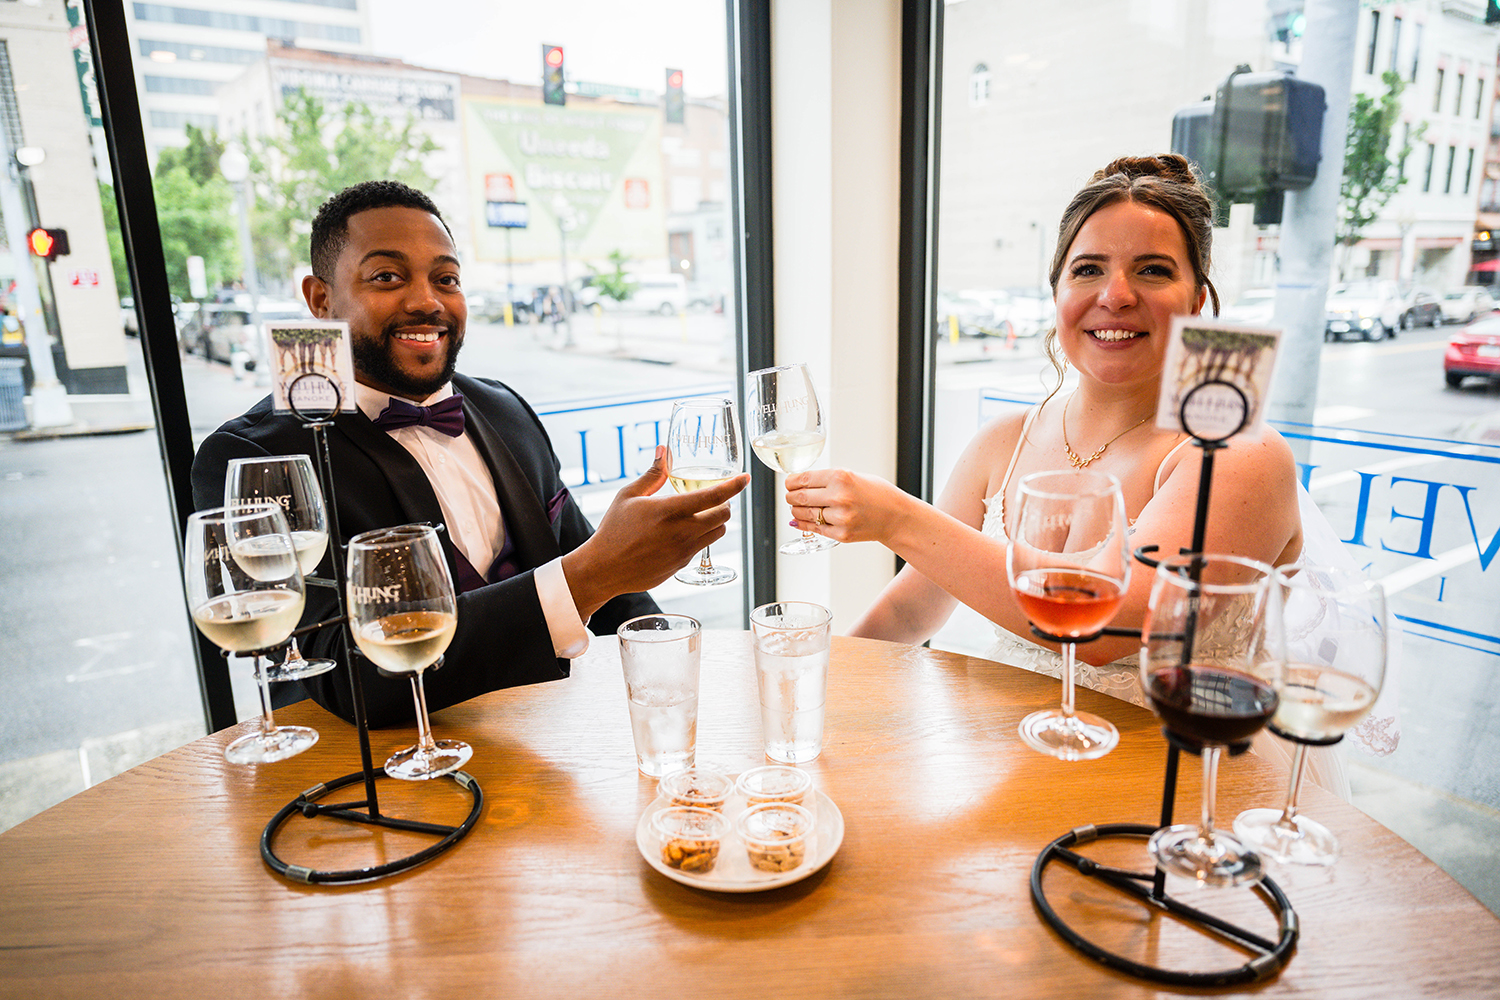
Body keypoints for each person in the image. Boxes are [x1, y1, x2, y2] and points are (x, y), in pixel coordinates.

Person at [782, 154, 1355, 792]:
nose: (1115, 295)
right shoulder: (1003, 440)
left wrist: (896, 517)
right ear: (1057, 294)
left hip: (1180, 786)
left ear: (1198, 300)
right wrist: (817, 695)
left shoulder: (1235, 452)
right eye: (1088, 270)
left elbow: (1111, 627)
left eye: (1153, 271)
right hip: (1014, 766)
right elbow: (916, 602)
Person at [192, 180, 747, 727]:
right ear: (320, 299)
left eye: (446, 278)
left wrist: (680, 675)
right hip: (380, 783)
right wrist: (588, 576)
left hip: (547, 747)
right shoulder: (251, 458)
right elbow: (344, 678)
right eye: (386, 276)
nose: (426, 301)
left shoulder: (505, 409)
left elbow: (594, 566)